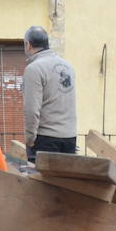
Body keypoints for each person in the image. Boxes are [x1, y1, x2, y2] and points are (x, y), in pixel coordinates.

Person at [22, 25, 78, 157]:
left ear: (28, 44)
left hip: (46, 139)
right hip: (70, 137)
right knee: (65, 178)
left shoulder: (34, 69)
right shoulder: (68, 67)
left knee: (39, 178)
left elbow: (32, 109)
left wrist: (30, 139)